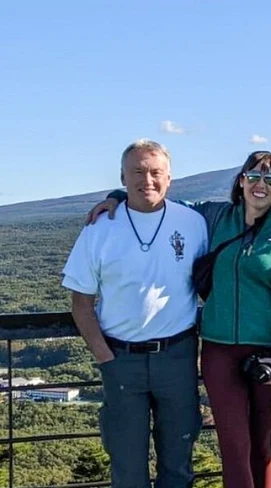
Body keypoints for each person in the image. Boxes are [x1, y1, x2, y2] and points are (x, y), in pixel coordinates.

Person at [88, 151, 271, 488]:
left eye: (270, 180)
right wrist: (121, 195)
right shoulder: (216, 217)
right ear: (241, 181)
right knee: (235, 444)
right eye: (253, 176)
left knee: (262, 446)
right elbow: (164, 202)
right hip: (219, 350)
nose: (260, 185)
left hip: (268, 354)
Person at [63, 139, 209, 487]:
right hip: (120, 358)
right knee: (127, 468)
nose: (148, 180)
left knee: (178, 464)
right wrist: (104, 358)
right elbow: (80, 301)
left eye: (156, 172)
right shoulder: (99, 228)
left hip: (178, 356)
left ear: (170, 177)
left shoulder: (193, 223)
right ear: (123, 177)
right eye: (138, 172)